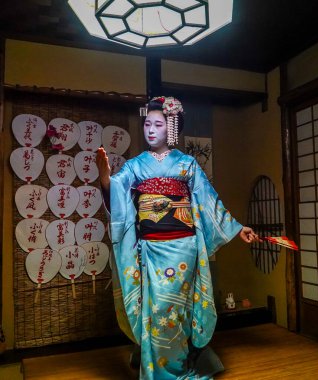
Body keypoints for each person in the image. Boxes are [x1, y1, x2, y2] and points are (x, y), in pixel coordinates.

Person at [96, 96, 260, 379]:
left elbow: (210, 203)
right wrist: (105, 177)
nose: (150, 129)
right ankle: (159, 370)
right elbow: (117, 194)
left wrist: (237, 227)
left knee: (178, 311)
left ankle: (181, 365)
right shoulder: (136, 165)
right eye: (147, 123)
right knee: (156, 309)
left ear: (171, 128)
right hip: (150, 248)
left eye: (158, 124)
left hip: (183, 247)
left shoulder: (187, 164)